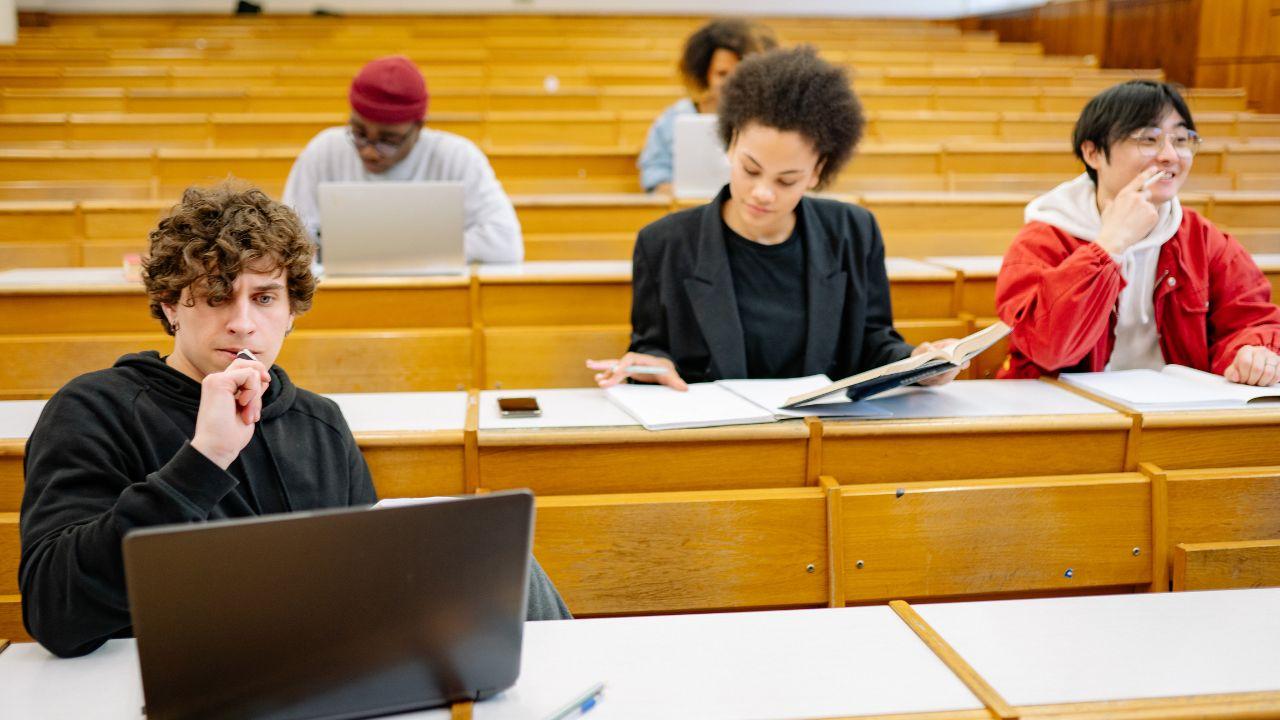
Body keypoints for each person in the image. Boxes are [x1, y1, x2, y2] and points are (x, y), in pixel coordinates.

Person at [19, 182, 568, 659]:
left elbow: (359, 592)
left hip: (311, 675)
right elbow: (55, 614)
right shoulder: (94, 409)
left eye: (264, 298)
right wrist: (204, 460)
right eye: (216, 296)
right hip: (167, 680)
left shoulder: (320, 423)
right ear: (169, 304)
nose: (243, 323)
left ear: (290, 311)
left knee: (505, 562)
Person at [593, 47, 965, 390]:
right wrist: (652, 365)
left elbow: (873, 341)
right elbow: (653, 347)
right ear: (731, 143)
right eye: (750, 170)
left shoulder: (853, 232)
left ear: (817, 171)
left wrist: (918, 363)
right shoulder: (663, 243)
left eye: (786, 180)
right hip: (714, 433)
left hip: (823, 430)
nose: (763, 193)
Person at [996, 80, 1280, 385]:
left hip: (1176, 406)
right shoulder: (1044, 239)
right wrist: (1109, 246)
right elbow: (1048, 349)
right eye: (1148, 139)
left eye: (1181, 139)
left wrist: (1251, 352)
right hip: (1065, 407)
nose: (1170, 155)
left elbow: (1250, 320)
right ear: (1093, 153)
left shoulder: (1202, 238)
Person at [282, 55, 523, 263]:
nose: (369, 152)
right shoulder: (324, 150)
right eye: (359, 133)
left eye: (388, 140)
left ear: (419, 128)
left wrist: (392, 252)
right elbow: (287, 241)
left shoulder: (458, 157)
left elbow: (505, 242)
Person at [636, 18, 776, 195]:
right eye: (722, 74)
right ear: (705, 74)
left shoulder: (768, 119)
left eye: (740, 74)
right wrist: (673, 192)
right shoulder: (674, 118)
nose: (731, 83)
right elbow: (654, 173)